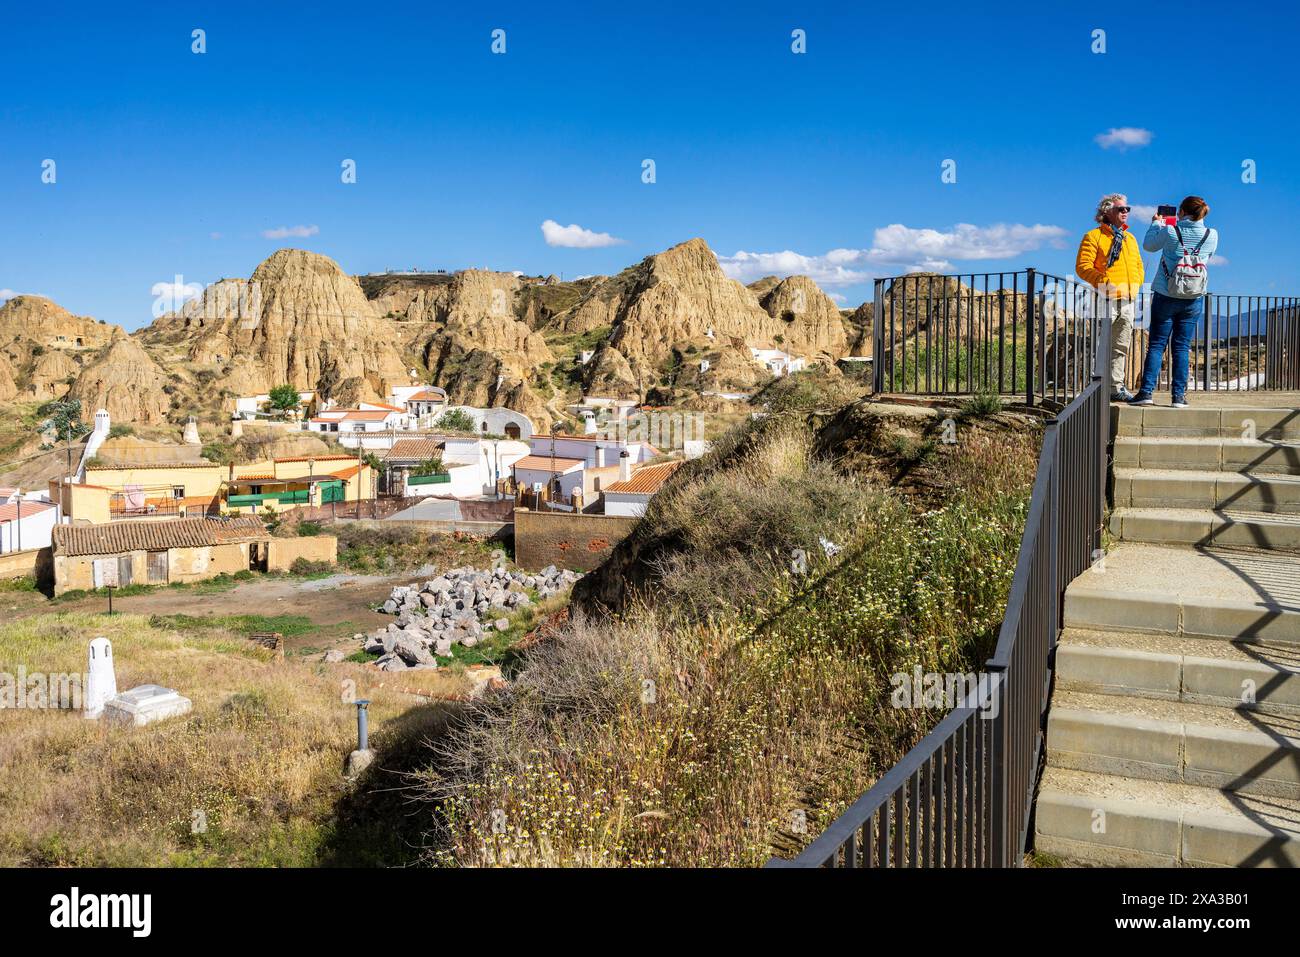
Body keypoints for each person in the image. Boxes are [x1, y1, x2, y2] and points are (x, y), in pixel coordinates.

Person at [1130, 196, 1218, 408]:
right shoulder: (1211, 234)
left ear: (1181, 212)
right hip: (1193, 297)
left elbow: (1149, 245)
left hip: (1166, 294)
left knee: (1157, 345)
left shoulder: (1170, 231)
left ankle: (1146, 393)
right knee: (1181, 347)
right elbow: (1208, 255)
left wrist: (1156, 223)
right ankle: (1178, 397)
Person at [1076, 193, 1146, 401]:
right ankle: (1097, 387)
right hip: (1105, 298)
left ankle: (1116, 388)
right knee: (1102, 344)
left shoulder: (1130, 238)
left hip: (1128, 299)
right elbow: (1082, 267)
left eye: (1127, 209)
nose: (1125, 212)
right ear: (1107, 211)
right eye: (1121, 209)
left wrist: (1136, 283)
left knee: (1121, 345)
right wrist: (1103, 282)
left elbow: (1139, 266)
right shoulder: (1093, 236)